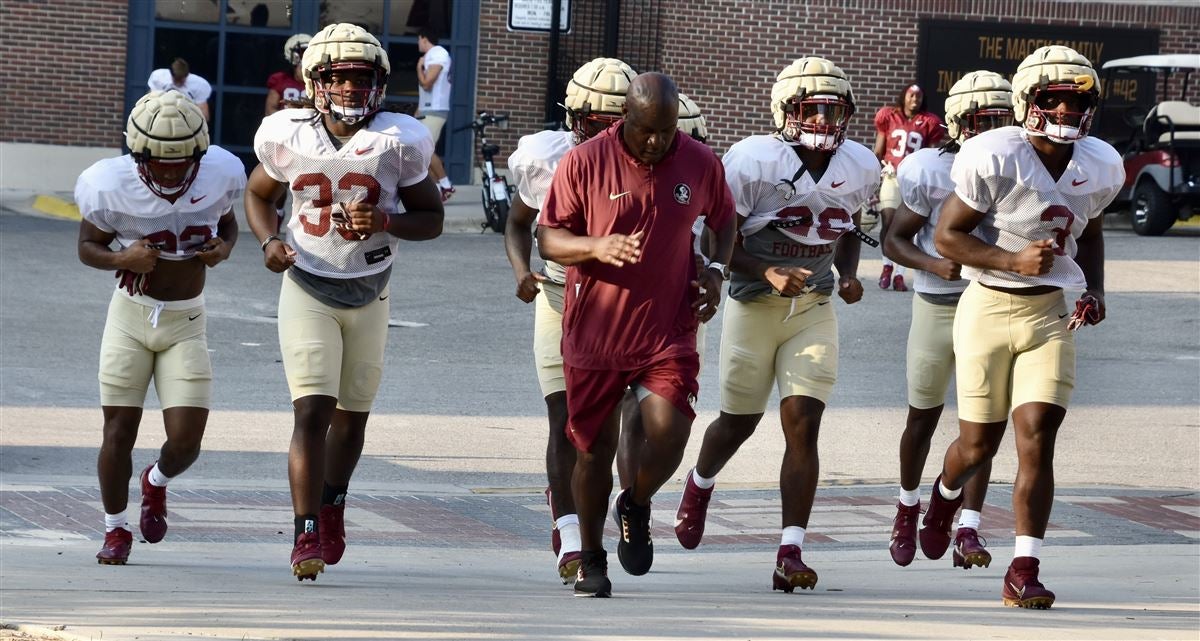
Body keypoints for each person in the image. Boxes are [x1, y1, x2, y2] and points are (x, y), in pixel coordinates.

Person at [243, 23, 444, 581]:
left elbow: (432, 218)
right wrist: (269, 241)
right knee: (312, 410)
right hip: (307, 282)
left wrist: (384, 219)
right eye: (339, 77)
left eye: (363, 78)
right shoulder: (289, 135)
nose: (352, 88)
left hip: (370, 289)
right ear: (316, 83)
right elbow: (258, 194)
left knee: (353, 419)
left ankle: (333, 501)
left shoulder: (396, 142)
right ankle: (304, 530)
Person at [927, 45, 1121, 609]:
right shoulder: (994, 154)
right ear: (1026, 102)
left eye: (1075, 101)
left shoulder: (1099, 163)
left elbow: (1093, 231)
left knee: (1037, 437)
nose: (1064, 111)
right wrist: (1011, 261)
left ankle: (1024, 567)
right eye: (1051, 99)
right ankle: (943, 497)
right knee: (977, 445)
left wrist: (1096, 288)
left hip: (1049, 314)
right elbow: (947, 236)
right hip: (989, 305)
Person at [672, 57, 876, 593]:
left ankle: (791, 550)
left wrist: (850, 274)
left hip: (813, 308)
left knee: (803, 422)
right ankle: (699, 484)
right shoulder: (753, 160)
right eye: (814, 109)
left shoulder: (859, 164)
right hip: (753, 303)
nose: (826, 120)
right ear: (786, 111)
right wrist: (764, 268)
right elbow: (717, 239)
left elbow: (847, 226)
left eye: (836, 110)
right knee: (737, 423)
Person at [537, 72, 736, 597]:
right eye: (645, 130)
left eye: (666, 131)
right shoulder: (584, 162)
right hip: (596, 332)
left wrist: (715, 272)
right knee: (591, 452)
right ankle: (592, 559)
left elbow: (725, 221)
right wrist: (594, 248)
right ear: (625, 118)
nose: (656, 142)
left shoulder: (699, 161)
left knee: (671, 430)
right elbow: (548, 238)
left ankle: (637, 501)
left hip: (668, 329)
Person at [77, 91, 244, 565]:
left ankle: (156, 481)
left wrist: (225, 248)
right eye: (159, 163)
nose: (170, 173)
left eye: (181, 163)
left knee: (187, 442)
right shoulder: (109, 183)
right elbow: (87, 246)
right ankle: (114, 530)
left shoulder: (219, 173)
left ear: (200, 154)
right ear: (138, 153)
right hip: (130, 316)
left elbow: (228, 224)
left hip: (187, 319)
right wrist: (121, 257)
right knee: (117, 431)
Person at [504, 57, 637, 585]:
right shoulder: (546, 157)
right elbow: (518, 224)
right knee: (565, 420)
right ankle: (571, 533)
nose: (604, 135)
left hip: (621, 308)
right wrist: (520, 269)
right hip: (560, 298)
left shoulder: (648, 159)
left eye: (615, 124)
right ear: (573, 118)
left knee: (614, 427)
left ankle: (611, 515)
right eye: (595, 123)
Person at [881, 70, 1014, 569]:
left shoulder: (1022, 163)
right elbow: (895, 239)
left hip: (994, 301)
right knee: (923, 415)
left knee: (984, 423)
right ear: (959, 124)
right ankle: (907, 505)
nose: (994, 130)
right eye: (983, 121)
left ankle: (969, 525)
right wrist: (934, 262)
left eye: (1002, 119)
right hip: (939, 302)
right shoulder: (929, 170)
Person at [873, 83, 943, 291]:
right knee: (888, 220)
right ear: (904, 96)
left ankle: (900, 274)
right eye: (911, 95)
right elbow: (878, 150)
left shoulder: (929, 122)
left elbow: (933, 155)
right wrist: (873, 179)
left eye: (919, 96)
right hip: (892, 175)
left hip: (913, 179)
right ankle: (887, 266)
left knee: (908, 226)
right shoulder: (889, 116)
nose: (915, 99)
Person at [415, 27, 454, 201]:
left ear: (424, 39)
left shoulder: (437, 53)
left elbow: (427, 83)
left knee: (426, 150)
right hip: (427, 110)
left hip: (435, 110)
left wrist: (419, 68)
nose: (418, 43)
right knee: (421, 152)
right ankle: (438, 189)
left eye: (418, 39)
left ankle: (446, 185)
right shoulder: (434, 55)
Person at [148, 58, 212, 121]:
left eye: (181, 80)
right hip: (162, 116)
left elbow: (204, 116)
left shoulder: (199, 85)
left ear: (187, 75)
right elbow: (150, 100)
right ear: (171, 75)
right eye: (176, 80)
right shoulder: (159, 77)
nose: (178, 84)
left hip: (187, 119)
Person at [265, 34, 311, 115]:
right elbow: (269, 111)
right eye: (302, 52)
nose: (305, 57)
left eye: (308, 52)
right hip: (286, 126)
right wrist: (288, 117)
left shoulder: (318, 81)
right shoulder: (280, 80)